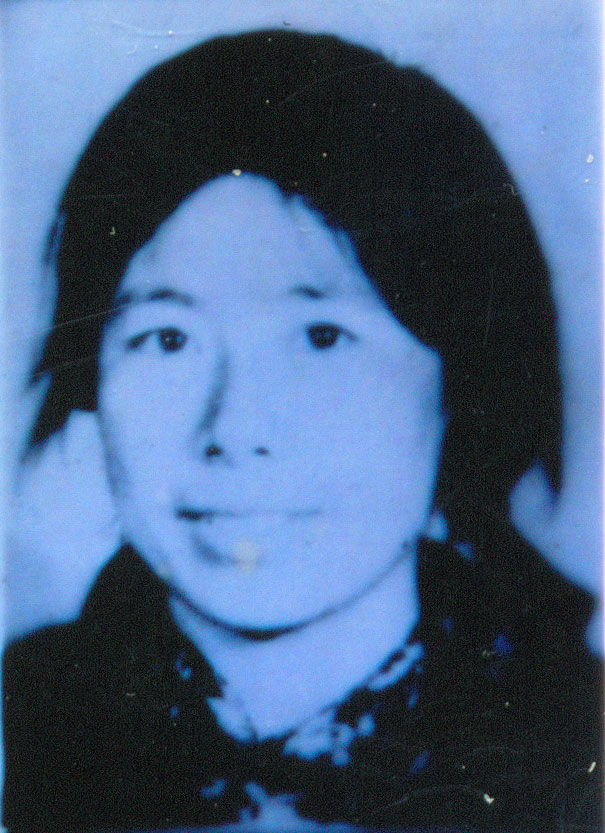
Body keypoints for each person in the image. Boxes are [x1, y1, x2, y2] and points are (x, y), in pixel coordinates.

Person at [2, 29, 601, 833]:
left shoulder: (573, 740)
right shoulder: (21, 734)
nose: (235, 428)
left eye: (321, 337)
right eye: (168, 339)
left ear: (459, 377)